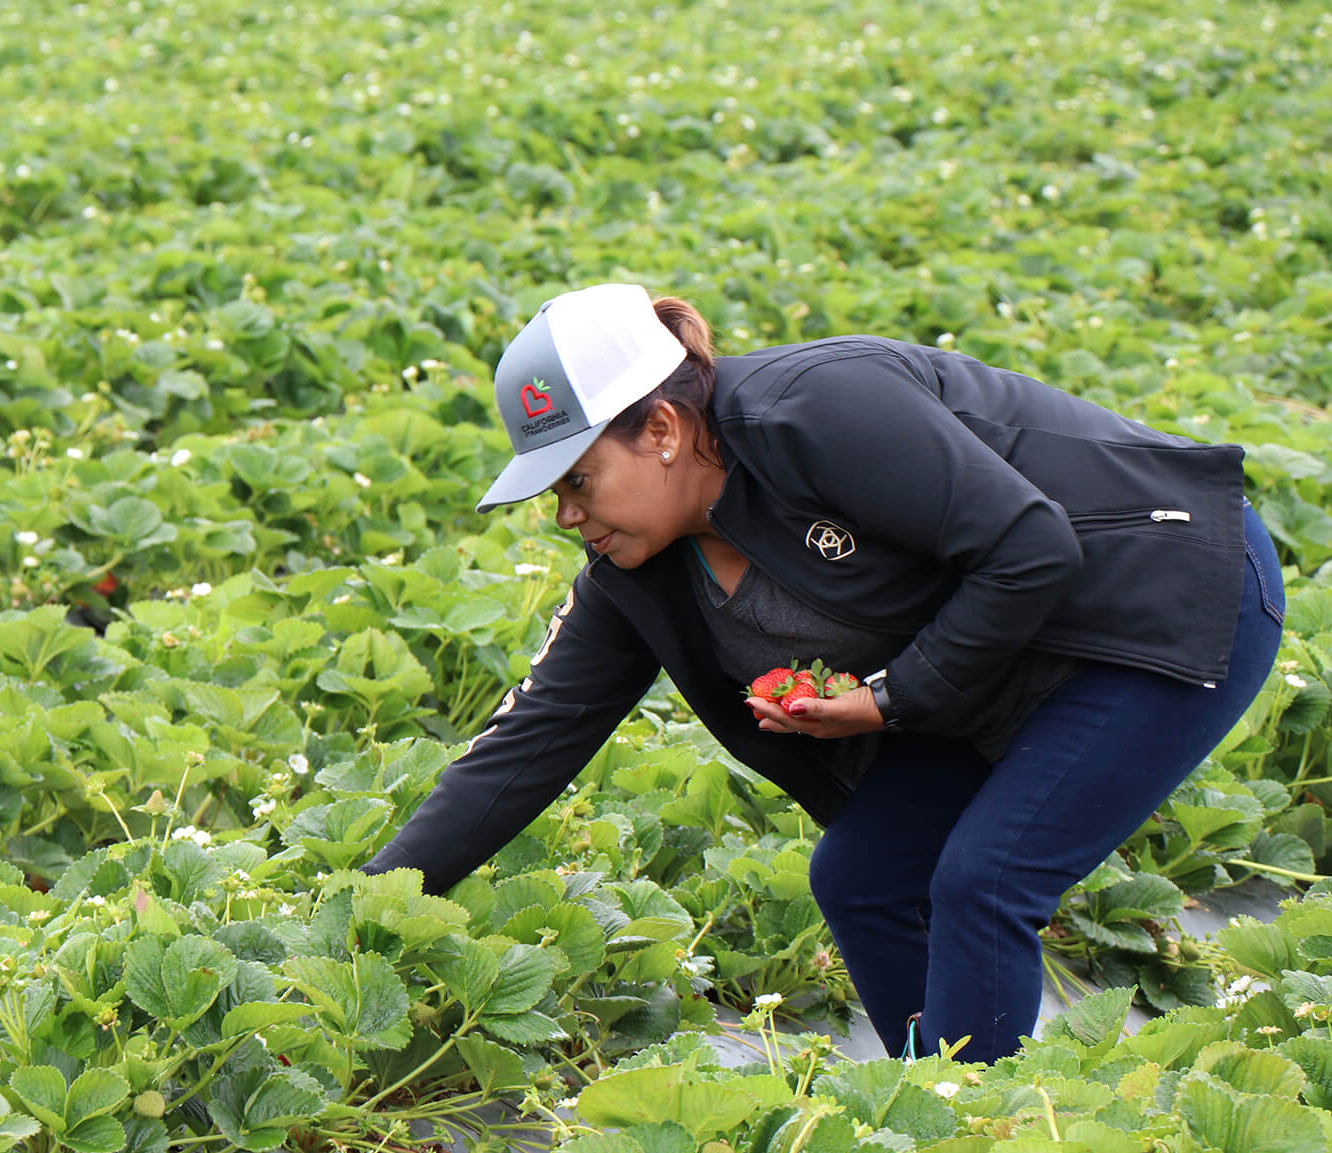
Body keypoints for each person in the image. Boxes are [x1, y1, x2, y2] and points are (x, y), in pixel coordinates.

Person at [358, 282, 1286, 1063]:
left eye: (578, 479)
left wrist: (893, 699)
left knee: (987, 880)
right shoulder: (633, 571)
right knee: (862, 875)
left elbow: (1029, 548)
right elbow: (530, 736)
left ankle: (985, 1136)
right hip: (1004, 648)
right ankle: (932, 1111)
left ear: (664, 429)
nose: (566, 514)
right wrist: (367, 908)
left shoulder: (815, 409)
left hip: (1162, 590)